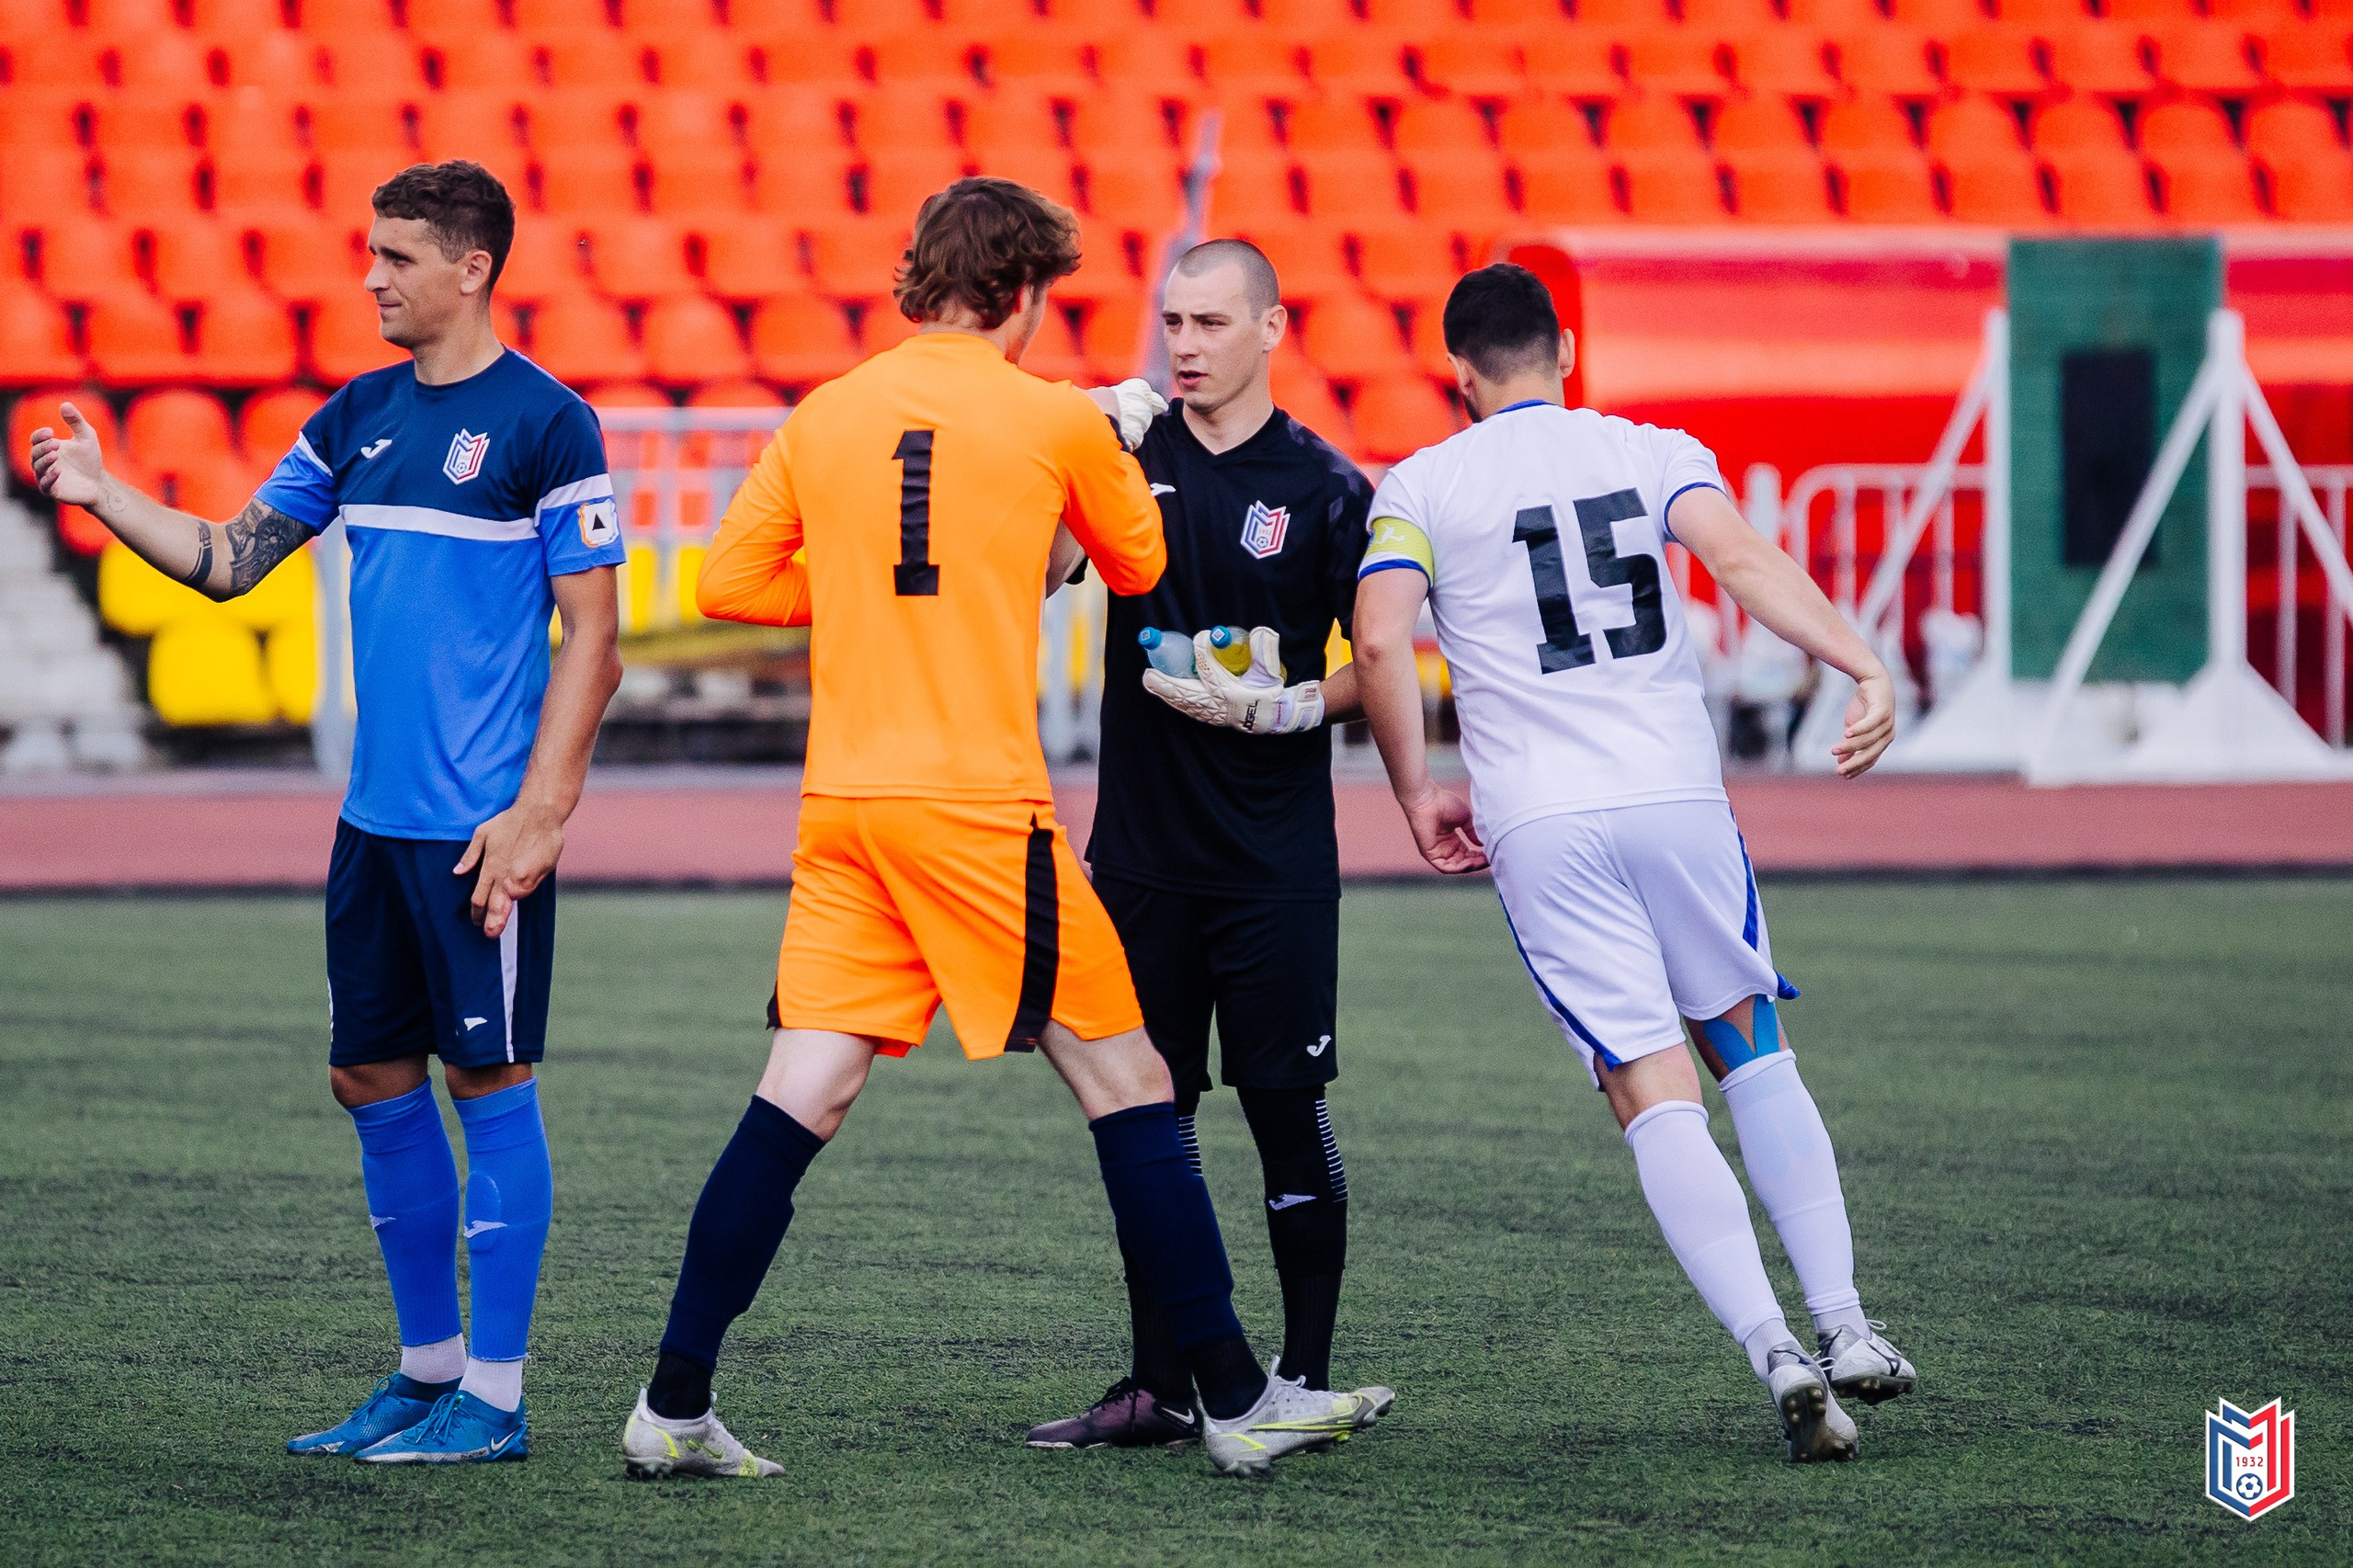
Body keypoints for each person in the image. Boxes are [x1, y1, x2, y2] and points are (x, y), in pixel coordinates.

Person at [618, 178, 1380, 1482]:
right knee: (1133, 1082)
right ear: (1024, 295)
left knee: (804, 1089)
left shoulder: (831, 408)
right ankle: (1243, 1401)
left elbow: (727, 581)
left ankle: (671, 1402)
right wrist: (1105, 435)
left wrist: (871, 587)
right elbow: (1137, 565)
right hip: (975, 807)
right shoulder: (1051, 419)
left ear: (922, 278)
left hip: (845, 806)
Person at [28, 160, 624, 1464]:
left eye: (398, 255)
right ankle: (425, 1373)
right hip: (373, 824)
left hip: (480, 829)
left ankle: (501, 1398)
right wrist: (103, 490)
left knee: (489, 1078)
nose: (370, 276)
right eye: (371, 251)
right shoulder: (353, 414)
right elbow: (231, 559)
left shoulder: (548, 425)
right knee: (368, 1073)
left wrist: (541, 815)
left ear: (471, 267)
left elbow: (596, 639)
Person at [1350, 264, 1917, 1465]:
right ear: (1565, 346)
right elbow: (1750, 566)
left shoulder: (1421, 485)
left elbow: (1383, 634)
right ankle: (1851, 1325)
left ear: (1456, 372)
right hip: (1674, 793)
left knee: (1648, 1087)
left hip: (1542, 820)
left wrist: (1414, 791)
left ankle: (1774, 1347)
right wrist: (1865, 665)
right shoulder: (1655, 449)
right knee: (1751, 1046)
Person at [1024, 239, 1391, 1450]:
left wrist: (1298, 704)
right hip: (1139, 854)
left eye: (1211, 322)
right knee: (1148, 1111)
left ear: (1273, 328)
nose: (1184, 343)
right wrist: (1078, 445)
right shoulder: (1130, 459)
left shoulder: (1330, 488)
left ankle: (1298, 1373)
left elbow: (1385, 666)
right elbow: (1045, 573)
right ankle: (1159, 1383)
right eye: (1171, 321)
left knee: (1287, 1107)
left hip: (1275, 860)